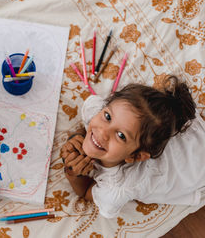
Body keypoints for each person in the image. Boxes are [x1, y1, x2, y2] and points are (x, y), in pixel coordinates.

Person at [61, 75, 205, 218]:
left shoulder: (119, 187)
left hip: (195, 166)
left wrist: (73, 175)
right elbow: (89, 123)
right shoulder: (97, 111)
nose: (102, 132)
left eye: (121, 135)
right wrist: (76, 138)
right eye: (108, 117)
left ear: (135, 156)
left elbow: (86, 191)